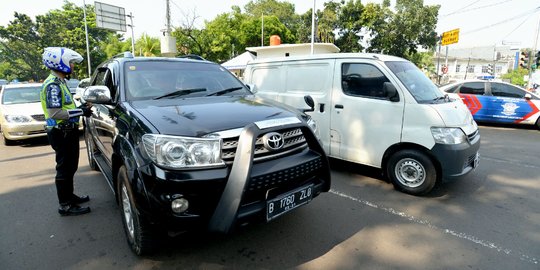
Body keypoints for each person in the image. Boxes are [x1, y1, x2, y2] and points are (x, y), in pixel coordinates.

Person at [40, 47, 93, 216]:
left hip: (67, 131)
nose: (73, 66)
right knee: (64, 168)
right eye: (71, 62)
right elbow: (55, 113)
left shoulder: (60, 82)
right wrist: (81, 111)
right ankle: (65, 205)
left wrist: (80, 107)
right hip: (60, 132)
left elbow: (66, 107)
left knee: (71, 167)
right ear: (60, 63)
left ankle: (70, 197)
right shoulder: (53, 85)